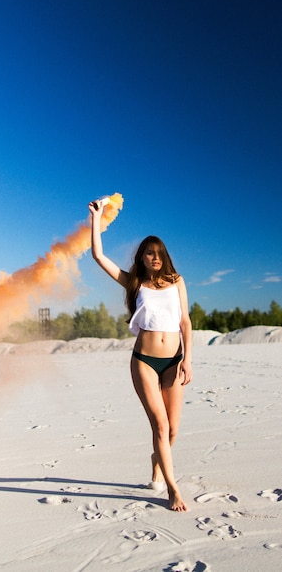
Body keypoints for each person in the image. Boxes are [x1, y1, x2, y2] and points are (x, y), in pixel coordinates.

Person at [88, 200, 192, 512]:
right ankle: (173, 490)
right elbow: (98, 256)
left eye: (159, 253)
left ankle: (157, 460)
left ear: (165, 257)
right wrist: (95, 218)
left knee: (173, 431)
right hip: (144, 362)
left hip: (174, 361)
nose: (155, 258)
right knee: (160, 427)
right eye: (150, 253)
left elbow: (185, 322)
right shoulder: (134, 282)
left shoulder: (177, 282)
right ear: (142, 257)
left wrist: (188, 359)